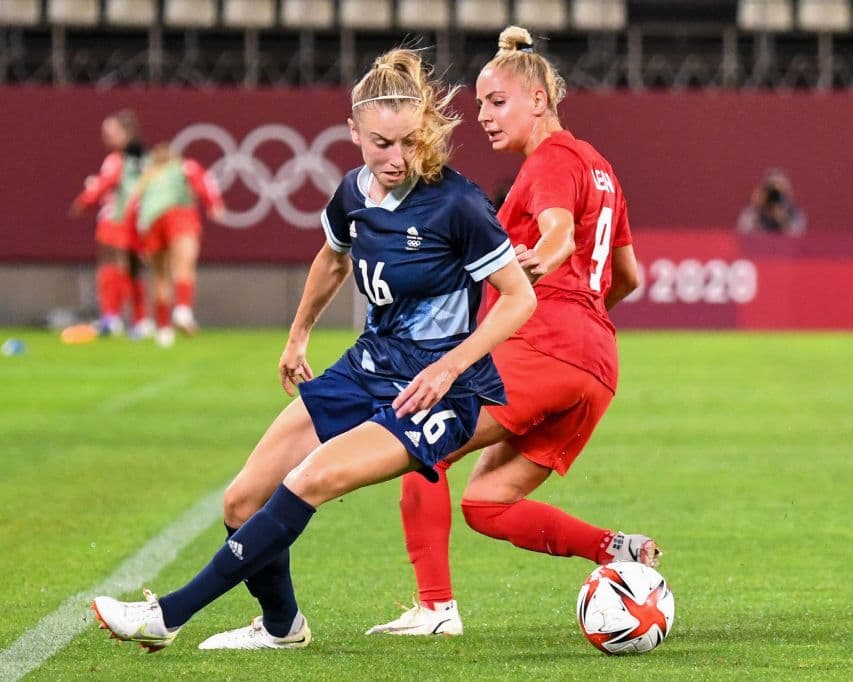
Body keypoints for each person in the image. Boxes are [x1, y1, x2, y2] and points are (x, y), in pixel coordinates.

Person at [89, 48, 536, 652]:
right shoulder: (352, 192)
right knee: (243, 499)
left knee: (309, 479)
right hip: (367, 366)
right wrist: (298, 333)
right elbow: (332, 257)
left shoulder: (457, 204)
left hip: (439, 391)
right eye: (381, 143)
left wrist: (449, 365)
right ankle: (282, 627)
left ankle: (167, 615)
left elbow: (518, 299)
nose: (397, 158)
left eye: (409, 141)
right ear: (353, 132)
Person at [366, 26, 656, 637]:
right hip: (596, 365)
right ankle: (616, 549)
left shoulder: (549, 161)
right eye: (479, 105)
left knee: (421, 442)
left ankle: (435, 609)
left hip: (543, 347)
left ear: (539, 100)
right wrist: (580, 303)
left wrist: (547, 260)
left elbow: (555, 231)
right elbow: (628, 276)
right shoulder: (600, 168)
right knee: (486, 503)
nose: (484, 117)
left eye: (497, 102)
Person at [128, 143, 224, 347]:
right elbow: (203, 181)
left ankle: (163, 331)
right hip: (179, 216)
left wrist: (140, 242)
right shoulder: (183, 166)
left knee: (160, 276)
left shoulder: (148, 177)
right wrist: (213, 204)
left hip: (151, 222)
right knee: (183, 267)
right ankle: (182, 310)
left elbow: (134, 209)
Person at [69, 110, 152, 337]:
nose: (106, 136)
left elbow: (105, 184)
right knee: (133, 270)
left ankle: (111, 317)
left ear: (126, 133)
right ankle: (140, 319)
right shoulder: (143, 159)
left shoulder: (116, 160)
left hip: (116, 220)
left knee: (110, 266)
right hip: (138, 221)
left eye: (111, 131)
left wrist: (83, 201)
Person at [736, 167, 806, 237]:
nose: (775, 194)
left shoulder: (795, 213)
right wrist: (758, 210)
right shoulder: (752, 211)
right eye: (772, 188)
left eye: (780, 187)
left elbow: (797, 236)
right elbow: (742, 233)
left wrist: (781, 218)